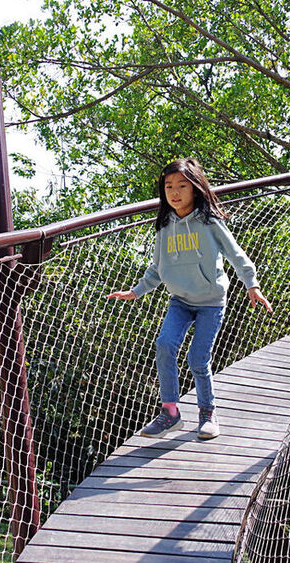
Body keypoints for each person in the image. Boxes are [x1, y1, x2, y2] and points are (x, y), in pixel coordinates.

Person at [107, 158, 273, 440]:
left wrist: (252, 285)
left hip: (211, 302)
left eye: (182, 186)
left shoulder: (209, 222)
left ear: (195, 189)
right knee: (164, 345)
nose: (174, 192)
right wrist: (136, 291)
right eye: (169, 186)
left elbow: (236, 254)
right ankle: (170, 413)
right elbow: (157, 268)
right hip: (180, 301)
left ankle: (207, 413)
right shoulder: (163, 226)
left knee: (198, 358)